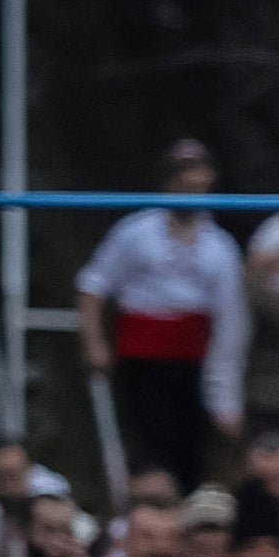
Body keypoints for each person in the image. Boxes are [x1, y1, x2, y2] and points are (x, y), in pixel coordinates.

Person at [73, 138, 246, 485]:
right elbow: (93, 285)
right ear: (168, 182)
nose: (191, 190)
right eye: (182, 180)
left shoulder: (220, 246)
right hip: (141, 356)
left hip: (193, 360)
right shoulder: (135, 231)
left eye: (198, 182)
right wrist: (93, 341)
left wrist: (227, 397)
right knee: (147, 444)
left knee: (191, 448)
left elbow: (230, 321)